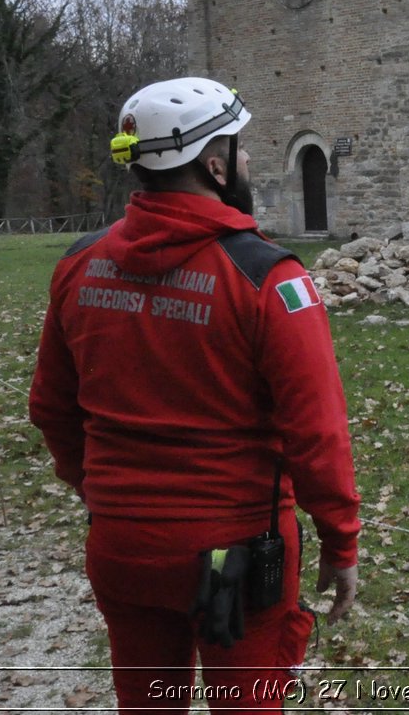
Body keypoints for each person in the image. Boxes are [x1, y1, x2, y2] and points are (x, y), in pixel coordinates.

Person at [29, 77, 360, 713]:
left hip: (122, 544)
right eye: (239, 149)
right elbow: (317, 433)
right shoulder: (269, 278)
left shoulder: (80, 263)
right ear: (213, 165)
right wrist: (340, 542)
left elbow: (50, 407)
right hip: (238, 556)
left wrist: (102, 491)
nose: (247, 161)